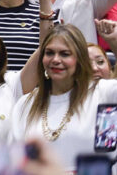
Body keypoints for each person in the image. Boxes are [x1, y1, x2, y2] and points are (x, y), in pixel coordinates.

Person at [10, 24, 117, 172]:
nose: (55, 59)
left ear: (80, 59)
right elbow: (16, 163)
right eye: (49, 53)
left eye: (64, 54)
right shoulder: (25, 104)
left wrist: (114, 43)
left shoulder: (103, 93)